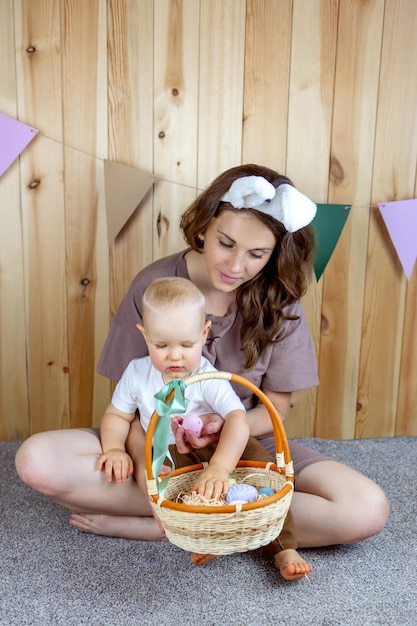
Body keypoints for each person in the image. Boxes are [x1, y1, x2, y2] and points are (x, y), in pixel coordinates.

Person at [15, 163, 389, 570]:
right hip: (156, 439)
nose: (235, 266)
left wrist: (223, 431)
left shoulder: (280, 298)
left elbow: (276, 410)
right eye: (225, 243)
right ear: (205, 225)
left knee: (366, 509)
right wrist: (145, 468)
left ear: (275, 252)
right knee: (37, 460)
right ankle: (216, 518)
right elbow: (131, 407)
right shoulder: (153, 286)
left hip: (243, 448)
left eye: (257, 254)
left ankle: (171, 523)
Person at [98, 276, 311, 580]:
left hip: (215, 443)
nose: (175, 356)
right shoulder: (136, 373)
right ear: (145, 336)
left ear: (204, 333)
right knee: (175, 494)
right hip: (170, 453)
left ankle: (283, 547)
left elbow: (237, 417)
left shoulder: (206, 375)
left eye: (187, 344)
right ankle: (210, 537)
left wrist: (221, 467)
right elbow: (117, 416)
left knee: (261, 468)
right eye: (161, 345)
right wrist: (115, 448)